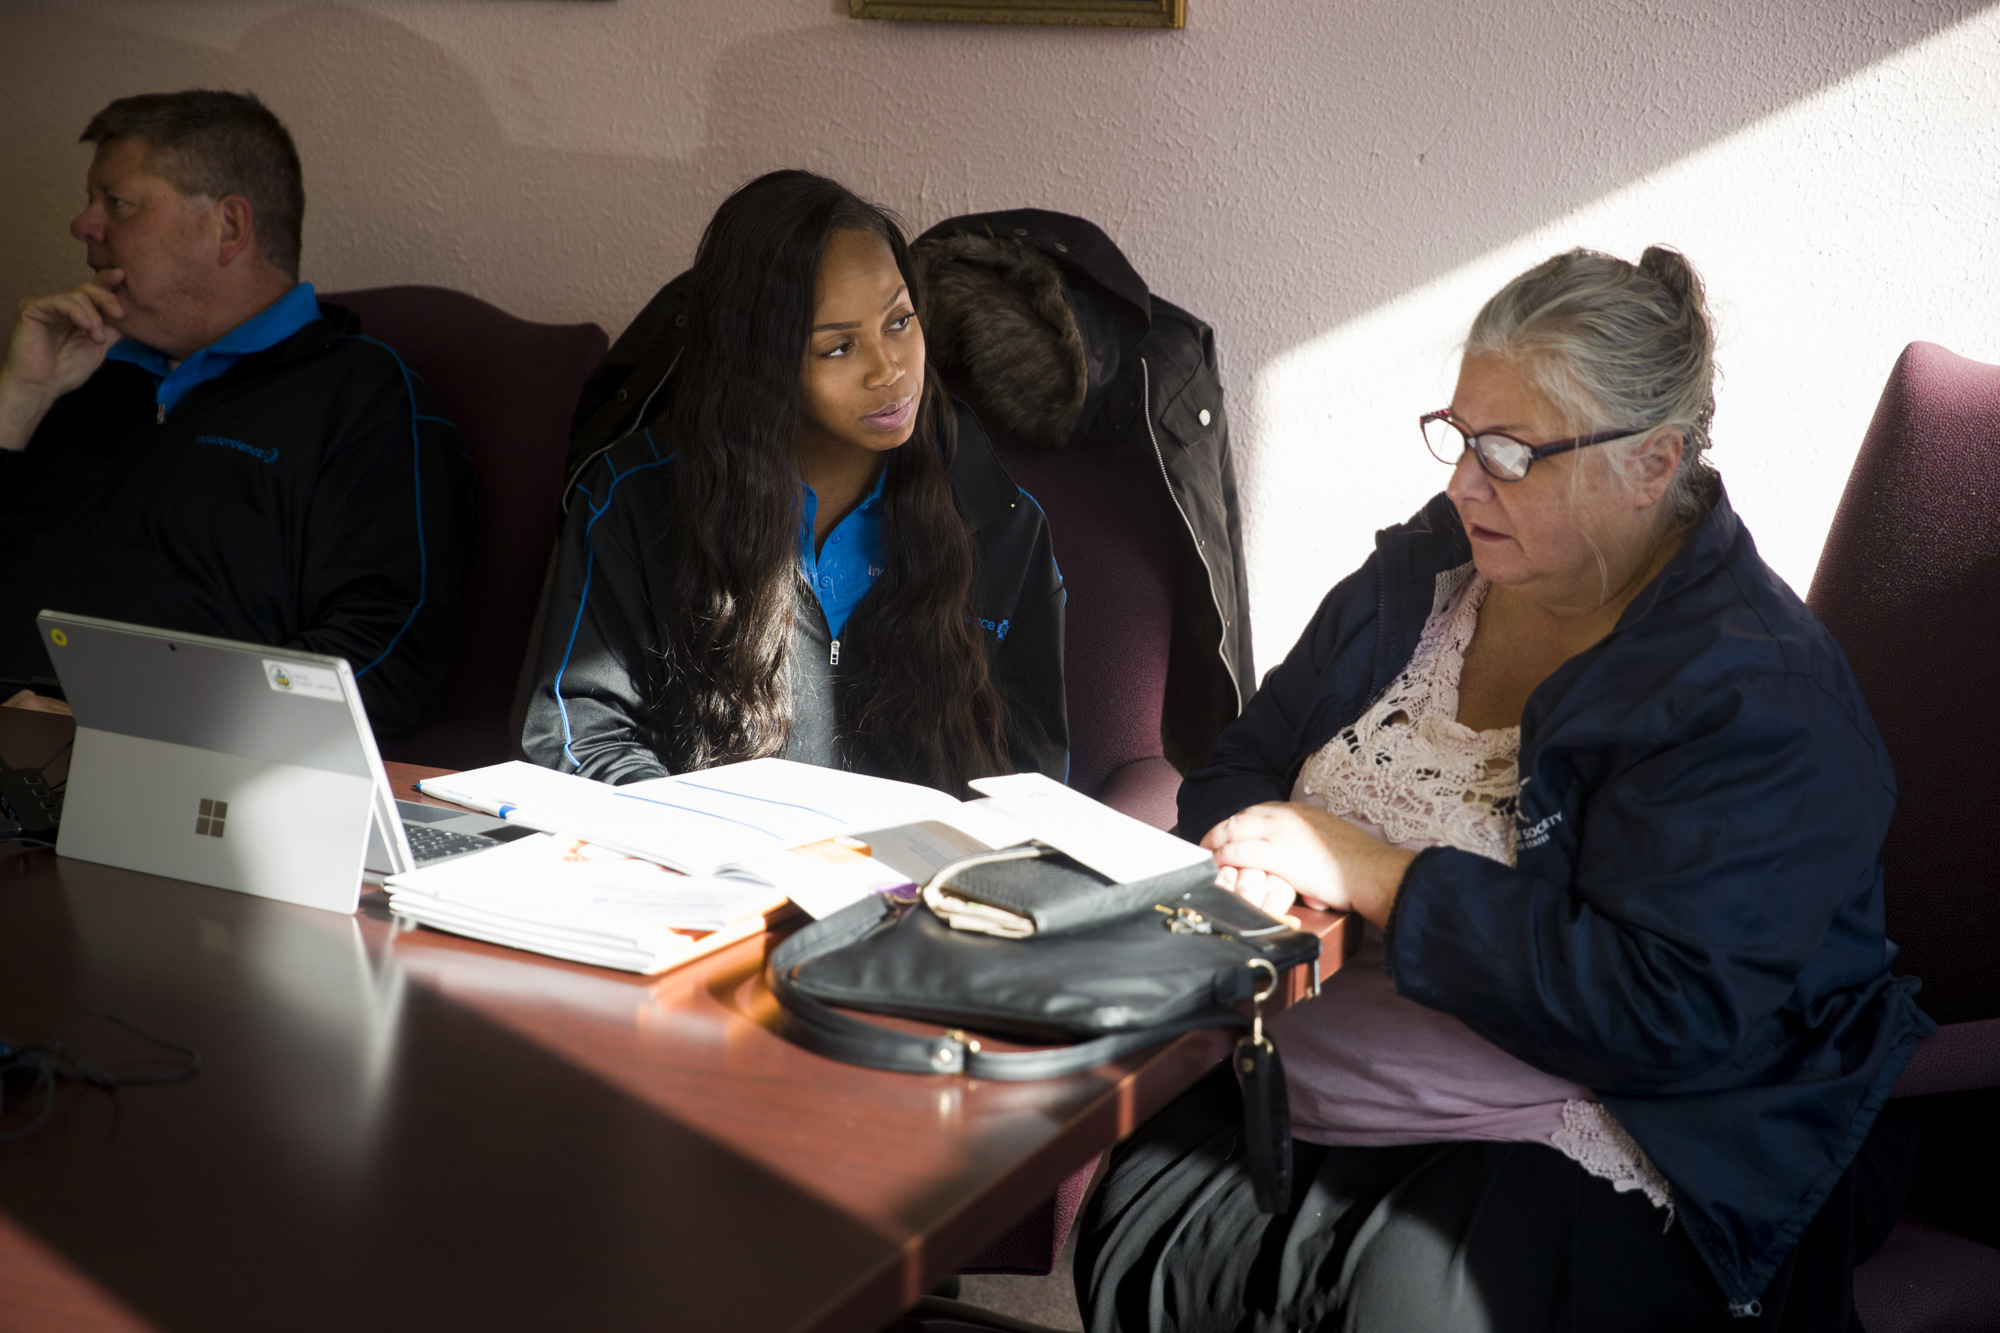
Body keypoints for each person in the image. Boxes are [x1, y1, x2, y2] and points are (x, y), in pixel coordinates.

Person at [1076, 248, 1933, 1331]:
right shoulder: (1422, 576)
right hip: (1299, 1080)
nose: (1460, 483)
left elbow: (1661, 1008)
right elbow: (1242, 768)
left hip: (1591, 1137)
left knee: (1409, 1305)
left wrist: (1369, 872)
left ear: (1650, 460)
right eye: (1457, 435)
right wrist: (1253, 859)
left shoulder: (1750, 688)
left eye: (1509, 452)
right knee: (1133, 1218)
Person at [522, 170, 1066, 793]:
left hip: (913, 886)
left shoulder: (1003, 524)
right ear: (759, 361)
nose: (889, 370)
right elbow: (581, 733)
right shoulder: (634, 500)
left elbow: (1033, 784)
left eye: (900, 322)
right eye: (838, 347)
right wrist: (695, 837)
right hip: (715, 877)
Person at [0, 90, 471, 736]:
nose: (83, 225)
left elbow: (379, 662)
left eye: (117, 202)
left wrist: (118, 726)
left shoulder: (363, 398)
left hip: (166, 782)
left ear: (228, 227)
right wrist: (17, 404)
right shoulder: (75, 370)